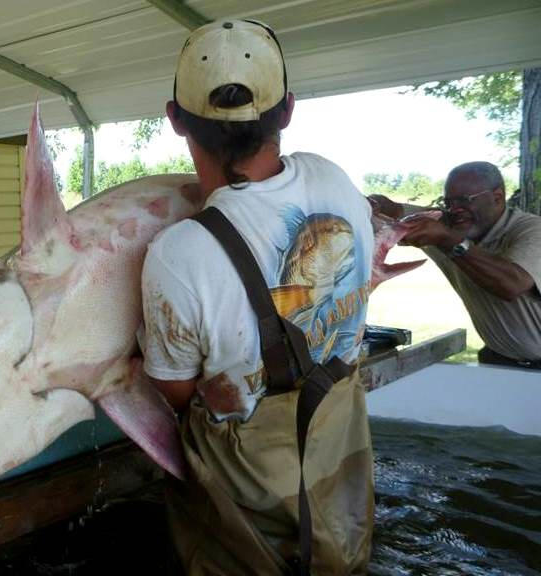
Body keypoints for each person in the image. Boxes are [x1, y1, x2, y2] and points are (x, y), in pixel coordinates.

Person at [140, 19, 374, 575]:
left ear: (175, 118)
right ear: (287, 110)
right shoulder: (335, 180)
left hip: (249, 499)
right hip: (340, 457)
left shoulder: (178, 253)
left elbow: (174, 393)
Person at [370, 161, 541, 369]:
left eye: (465, 200)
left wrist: (449, 241)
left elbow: (511, 285)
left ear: (497, 197)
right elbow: (394, 212)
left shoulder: (532, 230)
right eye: (448, 202)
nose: (454, 210)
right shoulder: (450, 225)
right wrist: (373, 205)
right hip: (499, 360)